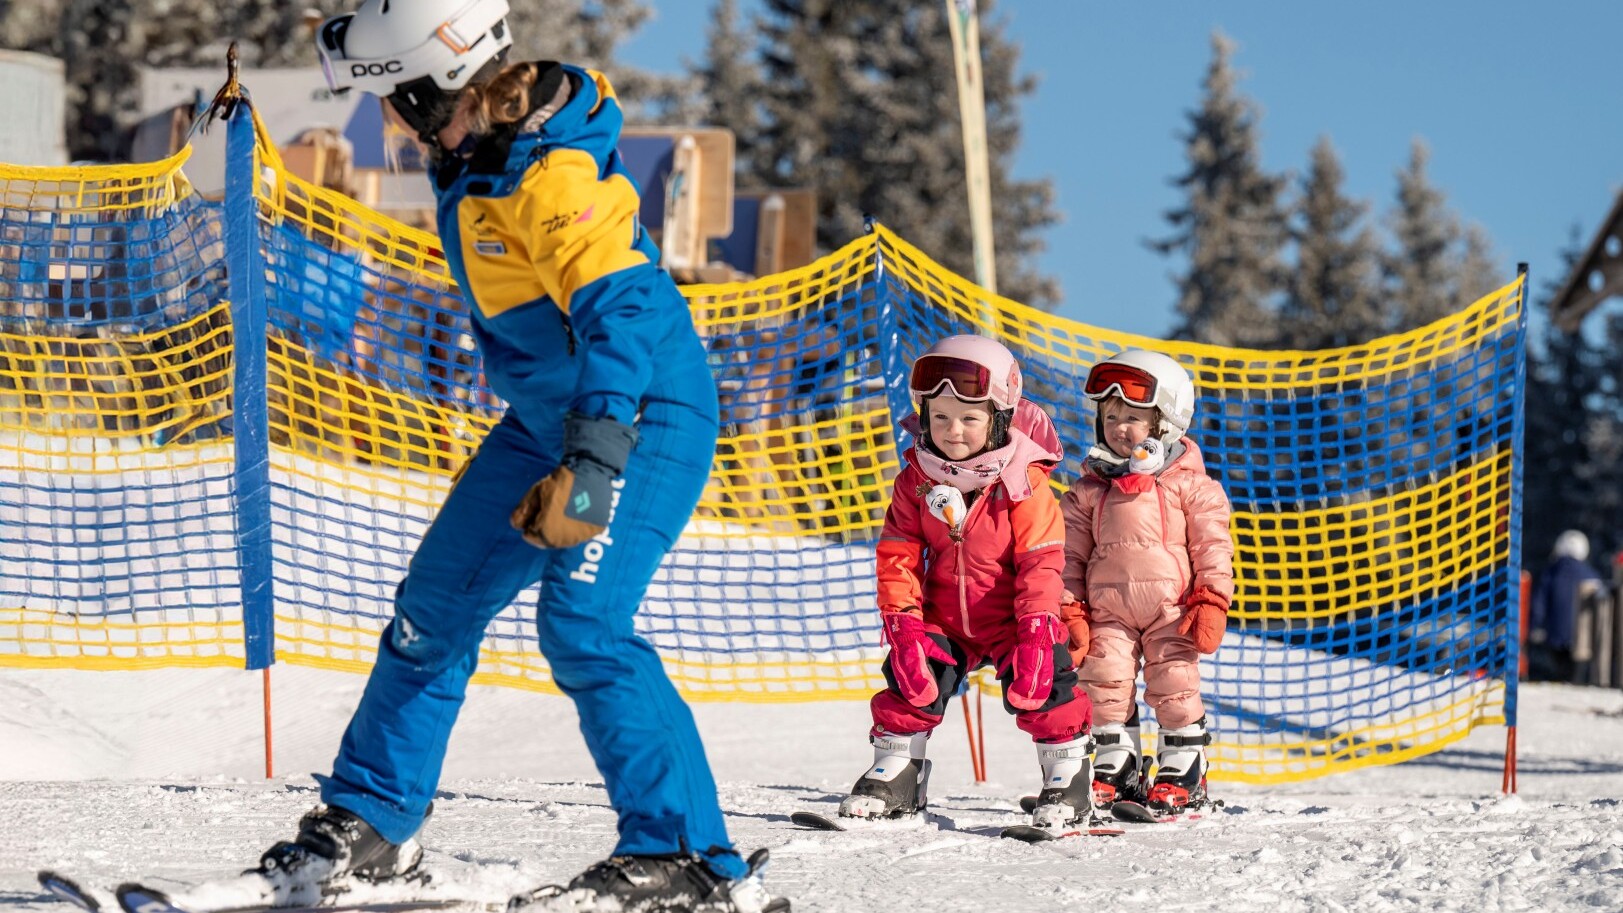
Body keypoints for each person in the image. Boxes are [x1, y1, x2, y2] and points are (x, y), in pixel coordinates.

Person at [264, 3, 786, 911]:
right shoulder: (477, 152)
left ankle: (691, 860)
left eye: (392, 97)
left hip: (639, 412)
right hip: (549, 416)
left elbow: (620, 316)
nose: (386, 118)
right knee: (433, 606)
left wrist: (593, 458)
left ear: (434, 93)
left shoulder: (552, 177)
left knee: (584, 623)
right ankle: (374, 821)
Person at [843, 334, 1096, 831]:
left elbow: (1041, 564)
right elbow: (898, 556)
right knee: (912, 677)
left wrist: (1037, 632)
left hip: (1012, 620)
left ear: (999, 418)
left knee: (1046, 682)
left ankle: (1067, 774)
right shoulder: (915, 480)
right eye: (940, 417)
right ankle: (897, 769)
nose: (953, 431)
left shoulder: (1025, 483)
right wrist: (904, 625)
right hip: (946, 619)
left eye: (969, 418)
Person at [1061, 349, 1233, 815]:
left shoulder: (1191, 486)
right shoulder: (1089, 489)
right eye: (1110, 415)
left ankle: (1183, 765)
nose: (1120, 426)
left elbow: (1212, 547)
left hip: (1171, 609)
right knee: (1103, 681)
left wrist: (1212, 599)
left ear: (1169, 422)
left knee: (1175, 681)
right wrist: (1070, 608)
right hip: (1107, 612)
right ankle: (1116, 763)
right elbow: (1070, 556)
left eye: (1134, 416)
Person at [1530, 529, 1605, 684]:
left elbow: (1539, 602)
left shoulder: (1551, 573)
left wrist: (1535, 626)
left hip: (1556, 636)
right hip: (1583, 638)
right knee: (1575, 676)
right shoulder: (1592, 575)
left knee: (1561, 673)